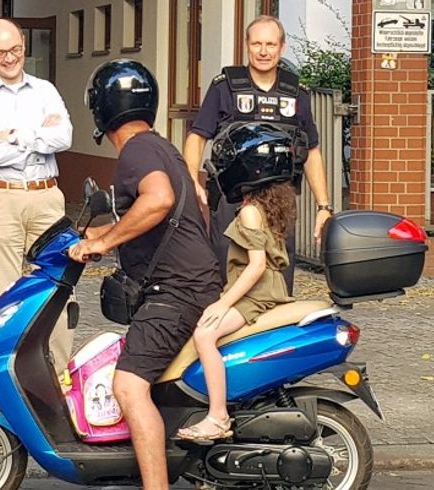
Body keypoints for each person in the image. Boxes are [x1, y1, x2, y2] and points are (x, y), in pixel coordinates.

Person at [70, 59, 220, 490]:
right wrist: (100, 232)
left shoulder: (136, 151)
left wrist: (104, 243)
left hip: (175, 293)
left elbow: (157, 200)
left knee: (129, 386)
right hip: (191, 284)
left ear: (101, 109)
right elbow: (163, 211)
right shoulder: (158, 145)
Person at [183, 15, 334, 292]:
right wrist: (192, 181)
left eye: (270, 44)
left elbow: (311, 150)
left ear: (282, 47)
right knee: (226, 275)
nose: (264, 51)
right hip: (231, 199)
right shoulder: (224, 87)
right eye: (257, 44)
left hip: (280, 200)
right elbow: (197, 136)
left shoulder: (296, 93)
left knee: (278, 277)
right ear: (246, 46)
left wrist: (323, 206)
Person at [0, 18, 75, 373]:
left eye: (14, 49)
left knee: (59, 287)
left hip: (46, 197)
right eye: (0, 52)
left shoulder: (45, 90)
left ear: (24, 46)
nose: (9, 58)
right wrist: (39, 136)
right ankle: (14, 374)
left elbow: (65, 138)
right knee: (7, 296)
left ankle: (57, 373)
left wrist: (15, 136)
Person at [176, 123, 298, 442]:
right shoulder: (268, 206)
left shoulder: (249, 213)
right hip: (264, 290)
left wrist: (224, 302)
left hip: (255, 295)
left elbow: (256, 266)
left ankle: (217, 416)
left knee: (205, 334)